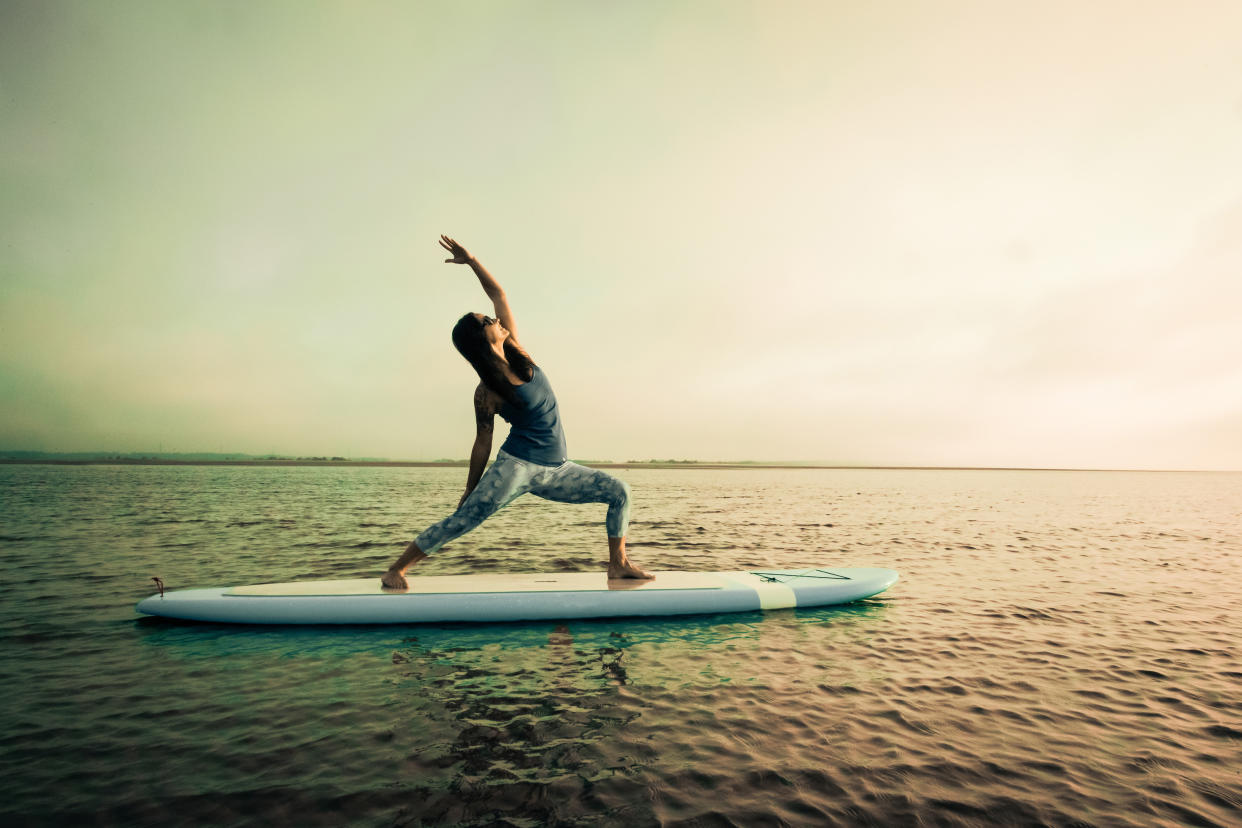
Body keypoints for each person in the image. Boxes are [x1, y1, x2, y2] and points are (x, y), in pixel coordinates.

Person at [381, 236, 654, 589]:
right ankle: (397, 568)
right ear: (481, 337)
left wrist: (472, 260)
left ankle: (618, 565)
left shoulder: (517, 351)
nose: (495, 319)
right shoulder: (487, 393)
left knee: (619, 490)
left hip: (558, 468)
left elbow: (499, 295)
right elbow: (482, 443)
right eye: (487, 321)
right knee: (465, 520)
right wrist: (470, 489)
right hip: (516, 468)